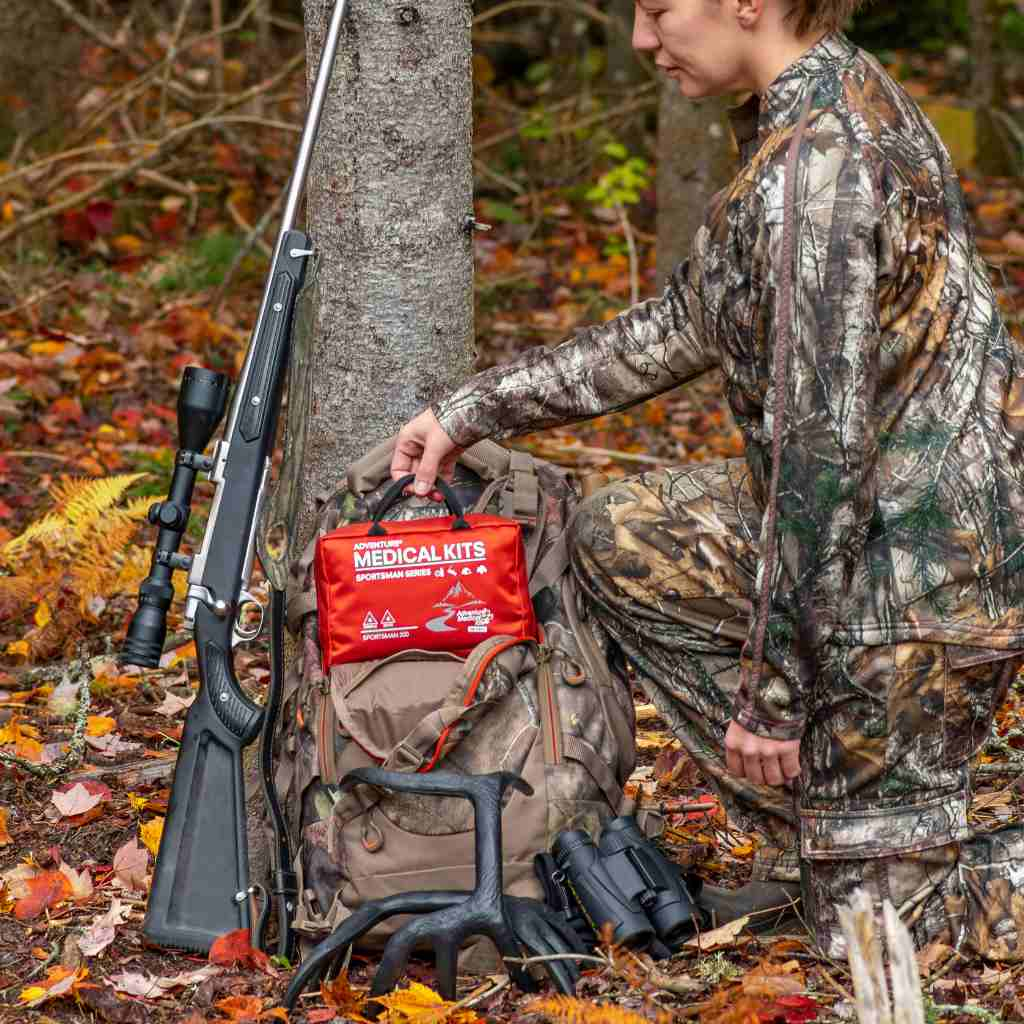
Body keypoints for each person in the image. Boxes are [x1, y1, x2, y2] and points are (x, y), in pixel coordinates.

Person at [390, 0, 1024, 959]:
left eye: (658, 10)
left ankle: (876, 848)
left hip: (922, 582)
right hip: (888, 540)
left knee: (880, 937)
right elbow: (685, 323)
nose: (644, 41)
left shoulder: (821, 171)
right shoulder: (816, 113)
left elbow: (820, 458)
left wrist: (773, 691)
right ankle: (851, 825)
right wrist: (471, 410)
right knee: (620, 536)